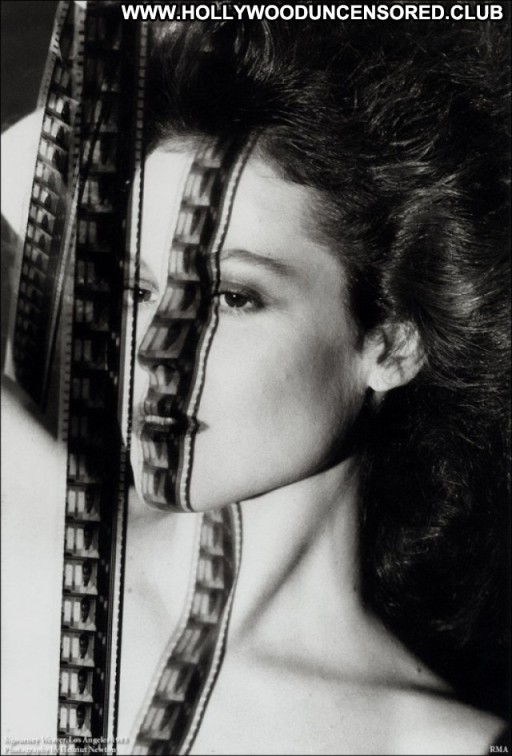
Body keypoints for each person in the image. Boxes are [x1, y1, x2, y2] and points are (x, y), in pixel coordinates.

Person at [1, 6, 510, 756]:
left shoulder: (443, 745)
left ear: (391, 346)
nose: (153, 348)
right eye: (136, 289)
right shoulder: (20, 525)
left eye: (230, 297)